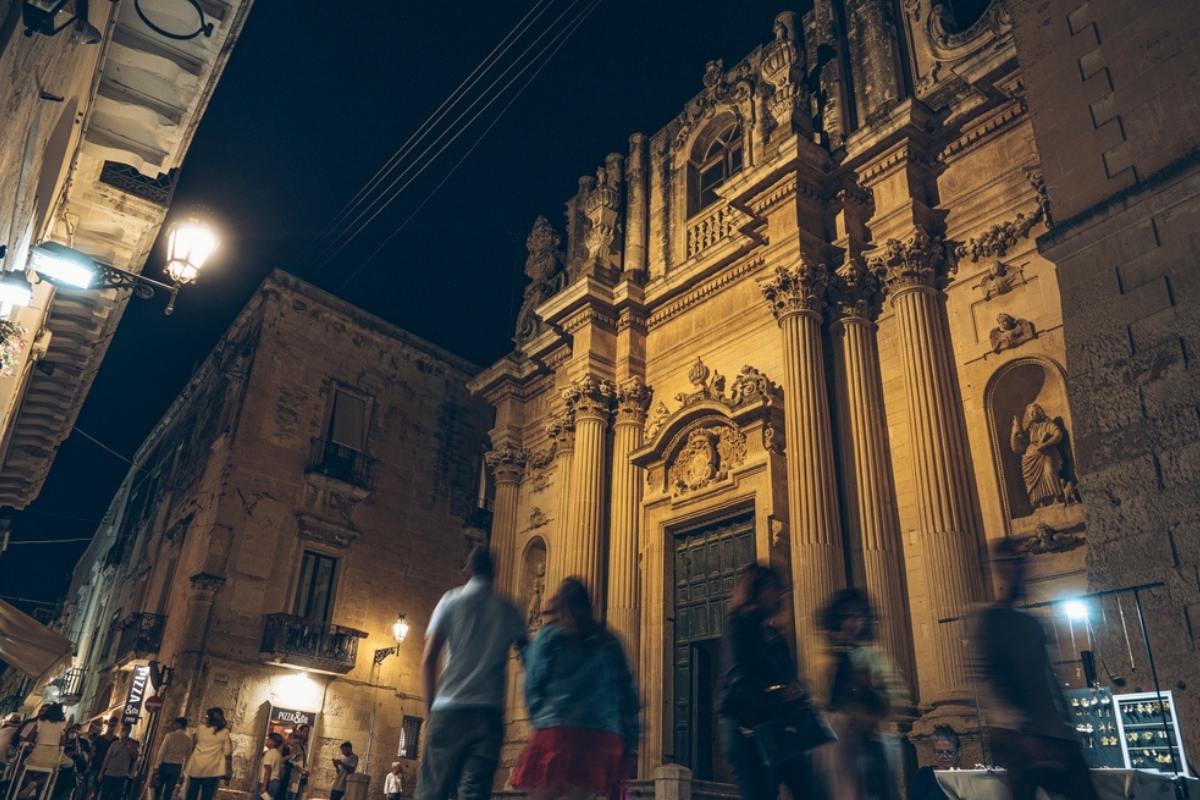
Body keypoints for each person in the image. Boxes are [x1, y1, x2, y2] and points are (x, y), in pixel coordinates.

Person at [971, 539, 1099, 800]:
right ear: (994, 569)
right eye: (1009, 562)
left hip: (1054, 734)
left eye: (1020, 562)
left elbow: (1050, 681)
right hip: (1021, 738)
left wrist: (1067, 725)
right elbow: (987, 680)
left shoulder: (1032, 622)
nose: (1018, 569)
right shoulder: (988, 619)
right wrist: (1023, 733)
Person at [510, 578, 639, 800]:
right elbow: (629, 697)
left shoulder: (550, 637)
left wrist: (540, 719)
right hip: (600, 738)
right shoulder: (609, 641)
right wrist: (631, 739)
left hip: (557, 733)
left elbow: (532, 683)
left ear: (562, 606)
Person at [415, 546, 527, 800]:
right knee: (473, 795)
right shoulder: (510, 610)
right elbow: (530, 661)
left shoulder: (450, 601)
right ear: (493, 573)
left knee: (431, 793)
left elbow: (429, 658)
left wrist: (428, 713)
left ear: (467, 571)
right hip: (487, 717)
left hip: (448, 711)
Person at [717, 564, 815, 800]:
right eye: (774, 588)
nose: (781, 594)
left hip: (779, 726)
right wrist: (781, 694)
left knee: (810, 791)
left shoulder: (775, 635)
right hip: (747, 731)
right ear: (756, 591)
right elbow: (737, 680)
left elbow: (788, 678)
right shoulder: (739, 627)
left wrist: (799, 689)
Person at [815, 589, 908, 800]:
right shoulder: (829, 657)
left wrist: (870, 695)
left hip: (872, 741)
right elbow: (825, 700)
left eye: (858, 615)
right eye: (846, 616)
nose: (852, 622)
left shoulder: (874, 655)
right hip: (840, 747)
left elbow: (895, 696)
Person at [183, 708, 232, 800]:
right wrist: (228, 772)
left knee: (191, 793)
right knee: (207, 795)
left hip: (196, 766)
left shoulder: (200, 728)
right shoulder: (224, 732)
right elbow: (227, 752)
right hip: (212, 769)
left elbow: (196, 741)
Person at [907, 726, 961, 800]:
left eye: (950, 752)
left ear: (958, 752)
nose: (944, 756)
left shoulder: (964, 777)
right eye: (939, 752)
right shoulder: (924, 775)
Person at [152, 718, 191, 800]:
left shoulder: (170, 736)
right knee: (169, 792)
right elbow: (188, 758)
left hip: (165, 765)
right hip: (177, 767)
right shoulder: (188, 740)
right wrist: (183, 773)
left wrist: (156, 766)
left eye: (175, 723)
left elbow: (162, 752)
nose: (173, 725)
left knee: (158, 790)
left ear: (179, 725)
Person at [97, 725, 138, 800]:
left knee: (117, 796)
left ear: (129, 731)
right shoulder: (115, 743)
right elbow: (107, 757)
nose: (123, 731)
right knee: (105, 795)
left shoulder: (133, 744)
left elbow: (135, 756)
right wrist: (101, 772)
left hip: (121, 775)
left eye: (125, 729)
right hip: (109, 773)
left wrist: (130, 747)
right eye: (122, 729)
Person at [84, 720, 117, 800]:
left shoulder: (116, 741)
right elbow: (92, 752)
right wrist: (88, 766)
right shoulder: (99, 739)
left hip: (108, 768)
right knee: (90, 787)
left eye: (113, 725)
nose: (111, 727)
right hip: (96, 766)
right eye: (110, 725)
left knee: (98, 790)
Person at [282, 731, 307, 800]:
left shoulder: (287, 748)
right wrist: (291, 756)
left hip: (286, 774)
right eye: (295, 742)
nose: (294, 745)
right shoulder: (282, 746)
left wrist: (303, 770)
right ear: (291, 738)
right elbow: (280, 760)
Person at [259, 734, 284, 800]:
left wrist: (264, 786)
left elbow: (268, 769)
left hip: (267, 781)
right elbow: (282, 769)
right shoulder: (279, 754)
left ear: (273, 742)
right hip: (276, 781)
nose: (267, 740)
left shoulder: (269, 753)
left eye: (269, 739)